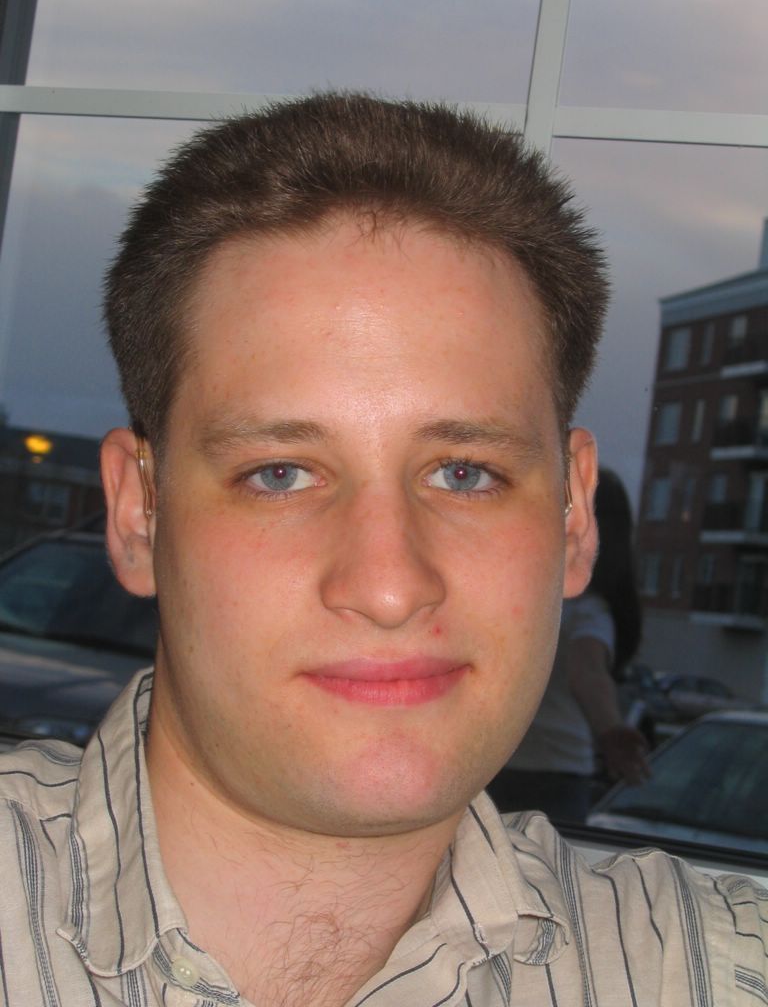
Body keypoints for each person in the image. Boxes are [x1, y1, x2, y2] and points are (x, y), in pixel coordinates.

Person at [0, 93, 765, 1007]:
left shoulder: (713, 969)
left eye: (465, 474)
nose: (390, 585)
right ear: (138, 515)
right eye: (281, 473)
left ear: (573, 516)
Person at [489, 467, 649, 821]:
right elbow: (586, 672)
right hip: (555, 778)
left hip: (491, 767)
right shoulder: (585, 610)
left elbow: (586, 672)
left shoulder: (510, 598)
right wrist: (610, 728)